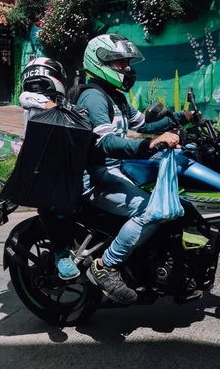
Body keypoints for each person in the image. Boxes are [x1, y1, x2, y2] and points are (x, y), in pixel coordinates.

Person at [74, 33, 193, 304]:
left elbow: (144, 126)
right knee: (150, 209)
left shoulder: (116, 97)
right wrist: (150, 145)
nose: (126, 68)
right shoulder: (93, 98)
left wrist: (181, 118)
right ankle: (105, 266)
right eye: (119, 63)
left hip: (116, 169)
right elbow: (106, 142)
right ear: (99, 62)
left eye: (126, 62)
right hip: (95, 176)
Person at [19, 57, 80, 280]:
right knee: (53, 205)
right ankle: (60, 252)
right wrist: (47, 104)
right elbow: (25, 97)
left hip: (65, 161)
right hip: (40, 165)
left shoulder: (63, 103)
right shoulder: (34, 101)